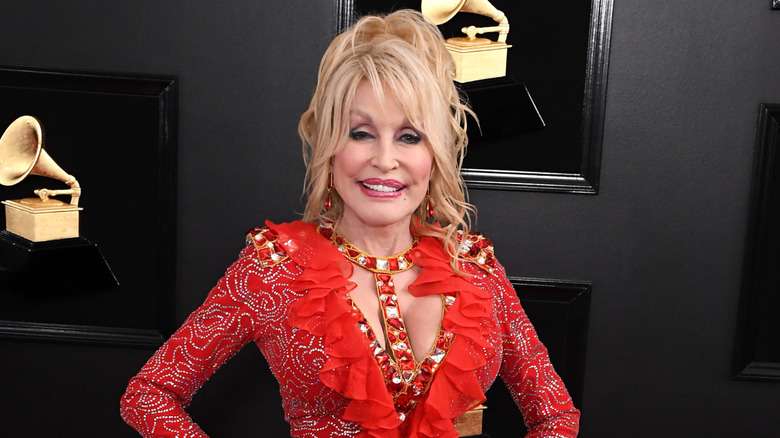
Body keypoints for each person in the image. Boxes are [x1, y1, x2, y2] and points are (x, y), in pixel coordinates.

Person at [120, 9, 580, 438]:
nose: (385, 159)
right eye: (361, 133)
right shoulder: (272, 270)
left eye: (409, 136)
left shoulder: (477, 270)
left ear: (435, 156)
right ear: (329, 148)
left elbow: (555, 416)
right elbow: (148, 396)